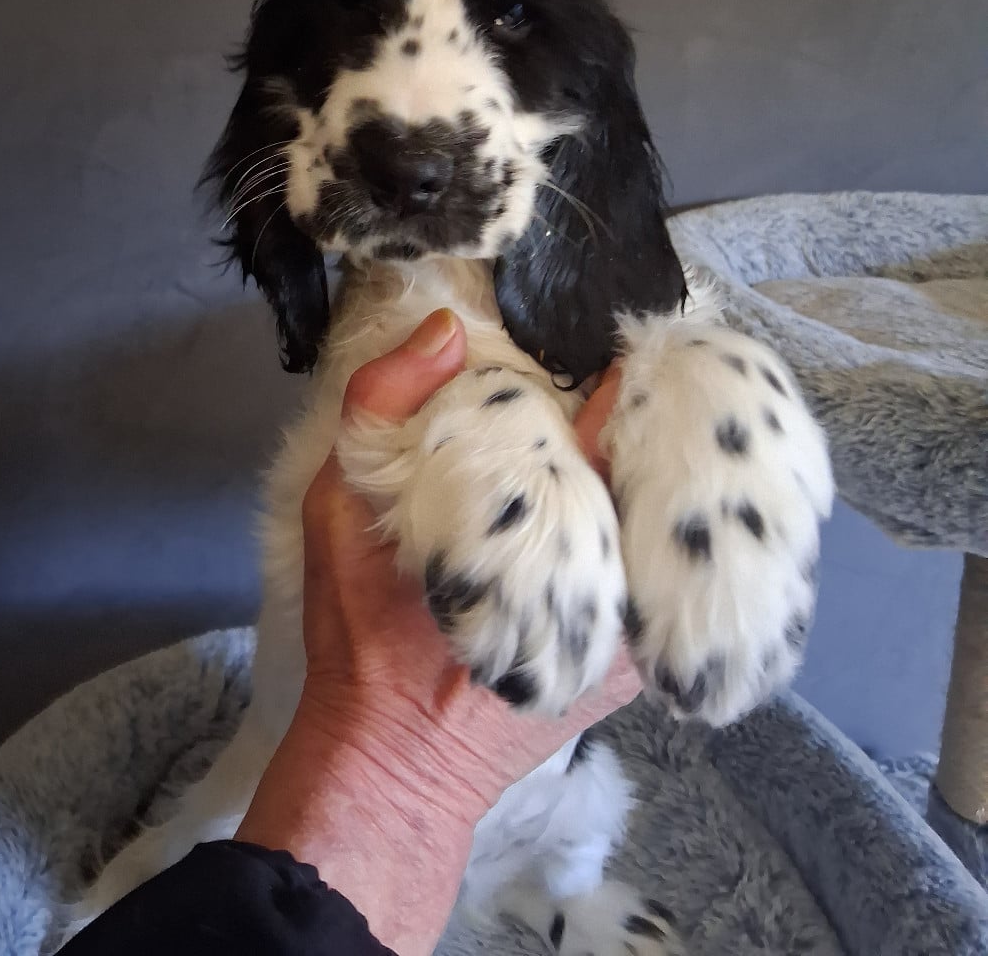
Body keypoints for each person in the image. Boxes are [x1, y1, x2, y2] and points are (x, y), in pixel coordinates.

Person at [62, 309, 641, 955]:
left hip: (521, 800)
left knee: (583, 822)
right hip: (287, 814)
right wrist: (405, 763)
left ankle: (555, 897)